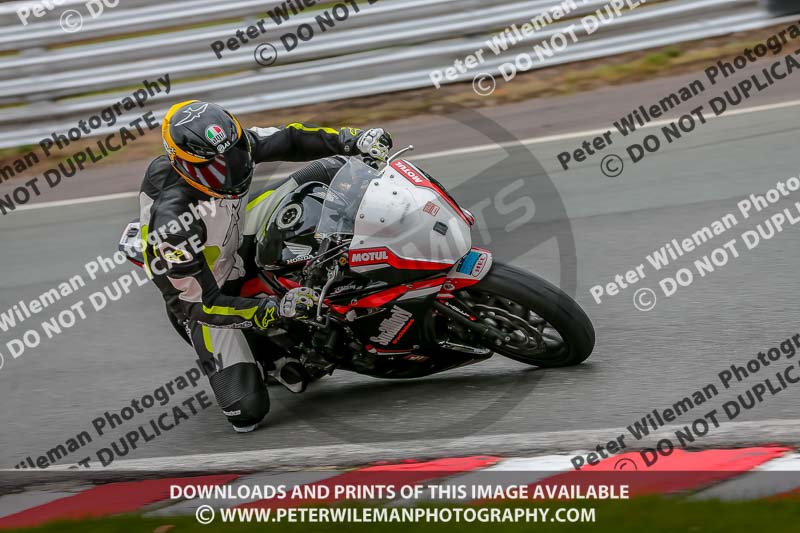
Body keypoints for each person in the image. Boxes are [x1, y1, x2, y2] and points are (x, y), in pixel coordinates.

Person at [138, 99, 392, 433]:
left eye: (236, 154)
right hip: (206, 290)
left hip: (237, 233)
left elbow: (290, 138)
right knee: (247, 412)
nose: (230, 169)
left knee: (330, 168)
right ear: (184, 165)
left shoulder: (234, 146)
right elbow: (199, 303)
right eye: (215, 166)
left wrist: (352, 139)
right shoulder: (171, 224)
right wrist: (272, 310)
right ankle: (269, 361)